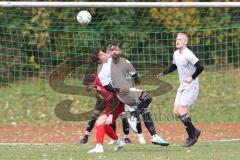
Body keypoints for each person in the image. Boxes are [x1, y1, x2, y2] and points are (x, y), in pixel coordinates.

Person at [92, 48, 169, 146]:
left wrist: (114, 51)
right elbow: (106, 86)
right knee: (146, 99)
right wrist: (118, 91)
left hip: (125, 91)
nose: (105, 55)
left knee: (103, 121)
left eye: (104, 53)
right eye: (102, 55)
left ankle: (153, 136)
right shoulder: (102, 71)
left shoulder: (109, 60)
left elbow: (113, 54)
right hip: (121, 93)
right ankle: (134, 119)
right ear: (99, 60)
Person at [157, 33, 204, 147]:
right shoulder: (176, 53)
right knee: (177, 112)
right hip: (182, 86)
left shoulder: (188, 54)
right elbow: (174, 65)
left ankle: (192, 136)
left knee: (182, 110)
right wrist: (163, 73)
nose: (177, 41)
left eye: (180, 40)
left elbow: (201, 66)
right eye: (176, 39)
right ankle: (195, 131)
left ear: (185, 42)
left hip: (191, 86)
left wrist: (192, 77)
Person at [82, 50, 126, 153]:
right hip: (116, 101)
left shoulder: (100, 80)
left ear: (90, 83)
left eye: (86, 86)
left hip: (117, 101)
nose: (86, 89)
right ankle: (118, 142)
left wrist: (110, 113)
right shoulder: (99, 81)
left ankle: (99, 147)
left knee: (100, 122)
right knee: (103, 123)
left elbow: (111, 95)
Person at [106, 43, 146, 144]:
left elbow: (135, 76)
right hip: (114, 93)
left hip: (127, 92)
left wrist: (136, 89)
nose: (114, 52)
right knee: (114, 116)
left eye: (116, 50)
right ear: (109, 52)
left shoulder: (126, 62)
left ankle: (140, 136)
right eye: (112, 50)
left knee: (134, 114)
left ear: (120, 51)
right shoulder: (107, 63)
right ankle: (114, 137)